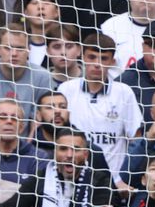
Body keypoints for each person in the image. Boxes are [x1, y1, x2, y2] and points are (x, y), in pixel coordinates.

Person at [58, 31, 142, 185]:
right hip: (71, 178)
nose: (97, 64)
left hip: (112, 183)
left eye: (103, 58)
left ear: (112, 61)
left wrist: (123, 178)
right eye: (92, 57)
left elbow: (135, 138)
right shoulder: (66, 89)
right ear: (82, 57)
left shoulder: (124, 92)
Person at [0, 22, 54, 132]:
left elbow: (38, 125)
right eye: (8, 48)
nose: (14, 53)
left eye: (20, 48)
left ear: (28, 50)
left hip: (26, 146)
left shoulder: (43, 77)